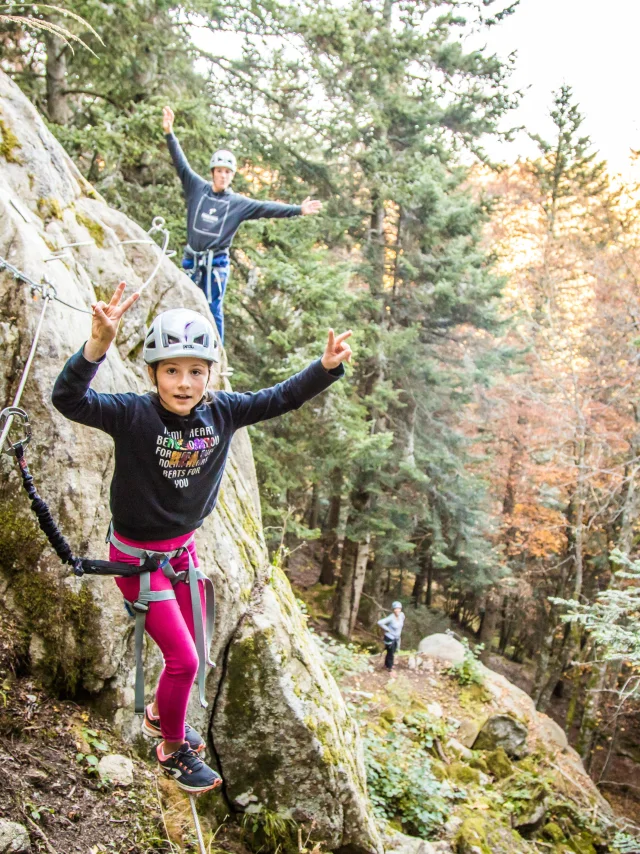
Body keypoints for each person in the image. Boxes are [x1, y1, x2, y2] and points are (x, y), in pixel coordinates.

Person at [51, 282, 352, 794]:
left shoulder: (224, 413)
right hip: (138, 563)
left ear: (211, 374)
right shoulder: (132, 414)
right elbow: (69, 400)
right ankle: (171, 746)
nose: (184, 382)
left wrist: (323, 368)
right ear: (152, 375)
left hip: (181, 558)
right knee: (184, 661)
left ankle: (155, 715)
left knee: (194, 652)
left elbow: (280, 398)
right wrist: (97, 347)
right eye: (171, 370)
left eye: (195, 371)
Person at [162, 106, 322, 344]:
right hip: (193, 258)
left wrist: (298, 209)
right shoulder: (196, 188)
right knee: (184, 301)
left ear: (232, 175)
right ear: (213, 172)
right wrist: (169, 133)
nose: (223, 175)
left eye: (228, 172)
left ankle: (215, 351)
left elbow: (266, 207)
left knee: (213, 308)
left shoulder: (237, 203)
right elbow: (181, 163)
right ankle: (179, 343)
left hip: (215, 263)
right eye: (219, 171)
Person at [377, 602, 405, 673]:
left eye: (399, 609)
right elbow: (380, 622)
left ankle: (387, 664)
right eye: (396, 609)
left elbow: (400, 626)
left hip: (396, 637)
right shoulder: (391, 617)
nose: (397, 610)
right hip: (390, 637)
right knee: (390, 653)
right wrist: (387, 629)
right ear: (393, 610)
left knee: (393, 651)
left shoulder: (402, 615)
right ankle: (389, 667)